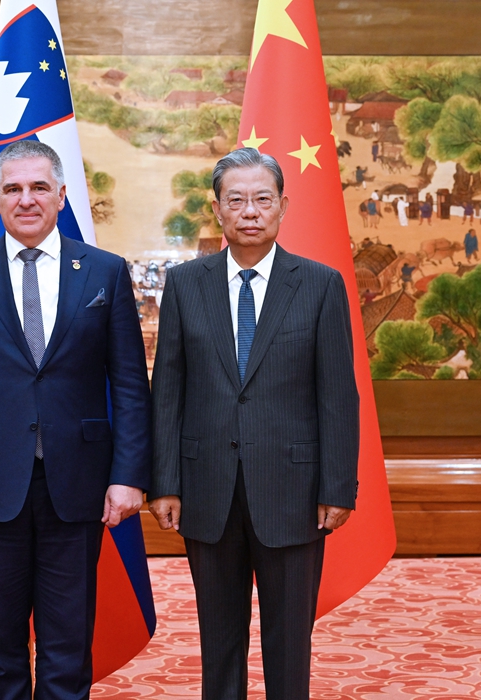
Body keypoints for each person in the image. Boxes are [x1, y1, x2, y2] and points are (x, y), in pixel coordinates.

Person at [0, 140, 152, 700]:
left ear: (61, 195)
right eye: (13, 189)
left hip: (78, 484)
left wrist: (128, 475)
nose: (27, 199)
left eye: (39, 187)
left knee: (68, 641)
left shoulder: (104, 272)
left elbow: (129, 384)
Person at [149, 148, 359, 700]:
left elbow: (338, 394)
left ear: (283, 206)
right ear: (217, 208)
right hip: (206, 490)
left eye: (262, 199)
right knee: (219, 643)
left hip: (295, 493)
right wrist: (164, 482)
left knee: (289, 644)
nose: (250, 211)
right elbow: (167, 390)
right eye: (236, 199)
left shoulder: (319, 284)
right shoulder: (186, 284)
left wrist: (338, 486)